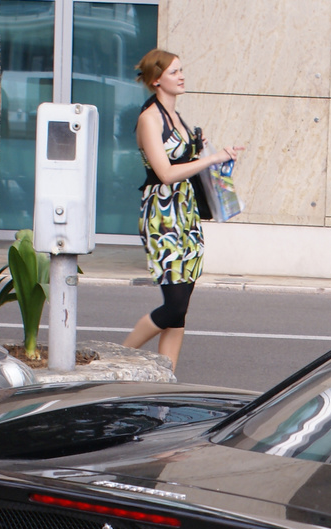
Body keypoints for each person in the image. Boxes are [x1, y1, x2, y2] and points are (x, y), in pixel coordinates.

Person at [121, 49, 243, 372]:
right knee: (173, 307)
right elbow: (166, 172)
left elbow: (189, 163)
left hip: (185, 216)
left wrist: (217, 152)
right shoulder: (149, 119)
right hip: (163, 217)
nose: (181, 76)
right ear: (156, 80)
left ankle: (166, 378)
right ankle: (118, 355)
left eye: (181, 70)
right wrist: (210, 159)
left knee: (180, 310)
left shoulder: (177, 118)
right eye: (175, 72)